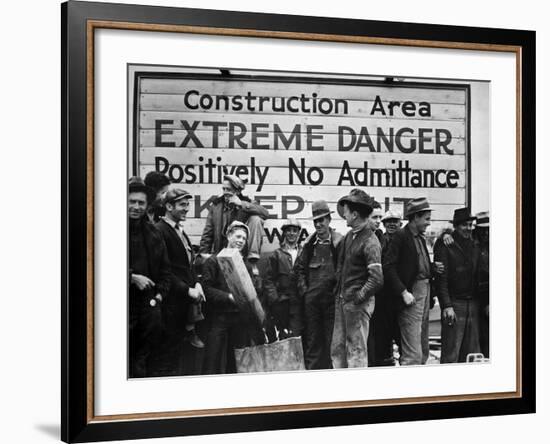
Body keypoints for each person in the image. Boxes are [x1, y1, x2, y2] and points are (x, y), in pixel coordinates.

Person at [202, 221, 265, 374]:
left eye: (244, 238)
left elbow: (251, 292)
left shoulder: (246, 265)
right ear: (229, 236)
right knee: (213, 359)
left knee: (237, 361)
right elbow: (206, 289)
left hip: (239, 319)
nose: (241, 241)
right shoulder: (213, 260)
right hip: (218, 317)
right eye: (238, 236)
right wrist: (228, 296)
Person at [155, 187, 205, 375]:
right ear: (168, 206)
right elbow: (164, 270)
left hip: (183, 306)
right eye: (182, 205)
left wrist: (197, 283)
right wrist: (187, 290)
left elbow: (187, 265)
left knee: (179, 357)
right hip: (170, 305)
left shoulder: (179, 231)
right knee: (167, 357)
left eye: (187, 204)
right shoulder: (160, 230)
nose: (186, 209)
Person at [331, 189, 383, 368]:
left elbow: (376, 279)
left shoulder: (370, 241)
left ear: (354, 214)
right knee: (337, 349)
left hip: (357, 305)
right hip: (343, 302)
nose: (343, 215)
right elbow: (340, 268)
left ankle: (357, 391)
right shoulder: (349, 237)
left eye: (346, 211)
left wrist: (358, 298)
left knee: (356, 351)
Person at [128, 177, 171, 378]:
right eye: (132, 202)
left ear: (146, 206)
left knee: (146, 358)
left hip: (149, 305)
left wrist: (161, 294)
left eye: (140, 203)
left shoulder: (153, 233)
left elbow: (165, 269)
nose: (136, 207)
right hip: (124, 305)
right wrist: (131, 277)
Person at [383, 197, 435, 366]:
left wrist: (434, 267)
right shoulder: (400, 236)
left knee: (423, 345)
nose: (428, 223)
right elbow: (388, 267)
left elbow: (416, 265)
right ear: (416, 217)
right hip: (411, 296)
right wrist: (403, 292)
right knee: (412, 351)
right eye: (426, 219)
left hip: (425, 292)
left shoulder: (419, 237)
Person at [294, 200, 343, 370]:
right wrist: (305, 292)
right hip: (312, 303)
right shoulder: (308, 245)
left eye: (322, 220)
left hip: (332, 302)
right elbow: (299, 270)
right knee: (313, 342)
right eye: (316, 221)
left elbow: (345, 270)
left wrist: (338, 293)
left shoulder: (339, 242)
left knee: (332, 341)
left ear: (329, 220)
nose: (319, 224)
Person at [435, 208, 481, 363]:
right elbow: (441, 279)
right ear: (456, 226)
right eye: (465, 225)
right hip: (455, 304)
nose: (469, 228)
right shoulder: (445, 244)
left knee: (471, 354)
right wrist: (446, 305)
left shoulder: (475, 243)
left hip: (473, 304)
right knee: (451, 353)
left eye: (470, 225)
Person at [199, 175, 269, 265]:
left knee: (256, 219)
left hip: (241, 252)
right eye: (223, 189)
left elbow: (265, 213)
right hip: (221, 252)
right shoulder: (216, 206)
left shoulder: (246, 203)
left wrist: (241, 204)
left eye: (228, 189)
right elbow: (208, 232)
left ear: (238, 191)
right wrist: (203, 256)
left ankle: (252, 261)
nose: (225, 192)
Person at [371, 210, 403, 366]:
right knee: (382, 335)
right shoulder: (380, 240)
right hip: (383, 297)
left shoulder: (405, 240)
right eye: (388, 221)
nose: (391, 224)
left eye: (394, 221)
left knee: (402, 335)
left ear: (400, 223)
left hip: (401, 296)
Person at [263, 219, 303, 341]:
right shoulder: (276, 254)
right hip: (282, 303)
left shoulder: (303, 253)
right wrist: (274, 300)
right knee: (282, 337)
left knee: (297, 336)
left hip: (299, 303)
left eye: (294, 231)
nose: (291, 233)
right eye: (288, 230)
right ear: (284, 233)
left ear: (298, 234)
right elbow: (268, 280)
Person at [475, 211, 490, 358]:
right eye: (482, 229)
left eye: (488, 229)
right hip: (474, 296)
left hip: (487, 296)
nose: (485, 232)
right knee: (478, 336)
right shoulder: (473, 242)